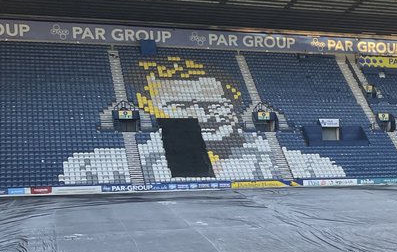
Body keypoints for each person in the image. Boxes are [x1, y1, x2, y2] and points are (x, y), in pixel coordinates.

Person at [61, 58, 345, 184]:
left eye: (214, 104)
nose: (202, 113)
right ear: (148, 110)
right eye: (181, 105)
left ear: (234, 107)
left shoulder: (309, 164)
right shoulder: (96, 169)